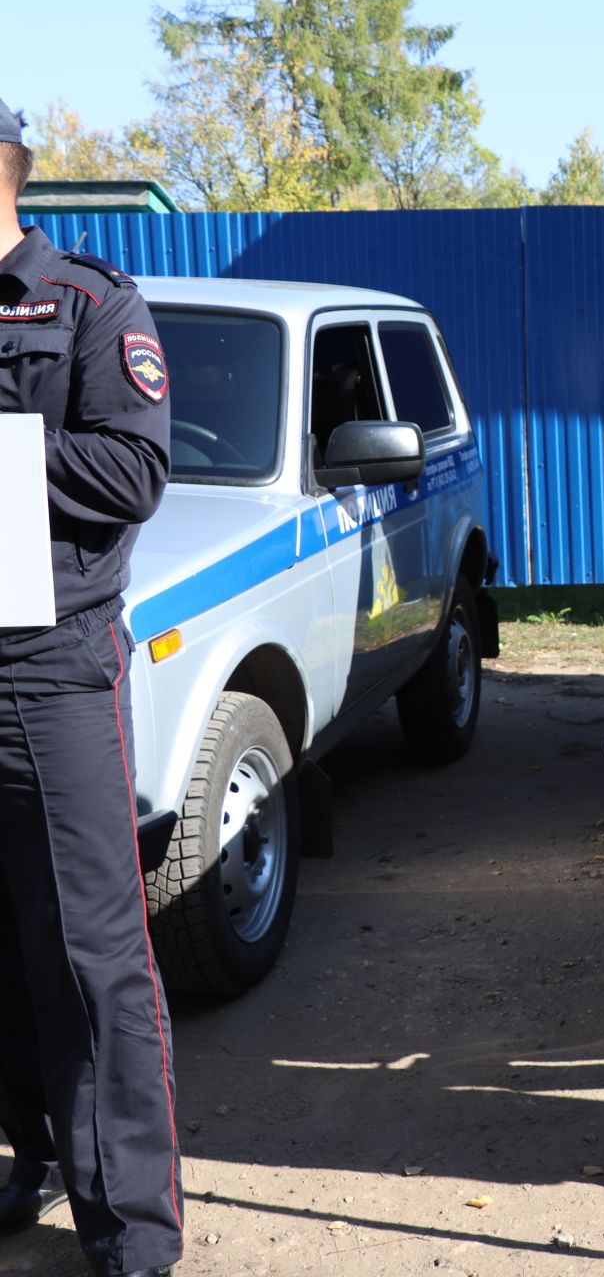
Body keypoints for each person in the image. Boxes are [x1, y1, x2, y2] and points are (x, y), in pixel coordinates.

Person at [0, 99, 181, 1277]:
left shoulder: (85, 301)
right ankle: (37, 1154)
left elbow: (134, 465)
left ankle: (131, 1227)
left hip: (44, 666)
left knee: (89, 946)